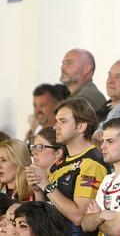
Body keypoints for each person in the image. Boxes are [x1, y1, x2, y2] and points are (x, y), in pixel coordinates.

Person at [25, 98, 110, 236]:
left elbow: (79, 217)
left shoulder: (91, 162)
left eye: (63, 121)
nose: (55, 126)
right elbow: (46, 213)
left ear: (81, 126)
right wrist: (39, 191)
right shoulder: (61, 163)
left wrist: (46, 185)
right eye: (57, 121)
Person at [81, 117, 120, 235]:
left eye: (110, 141)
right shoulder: (108, 179)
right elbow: (85, 224)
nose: (102, 146)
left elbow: (117, 229)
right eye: (103, 141)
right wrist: (102, 215)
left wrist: (96, 218)